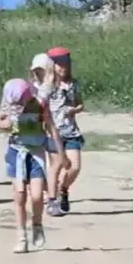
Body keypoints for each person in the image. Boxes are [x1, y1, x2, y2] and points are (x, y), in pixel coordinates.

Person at [0, 78, 66, 253]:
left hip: (35, 154)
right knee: (19, 197)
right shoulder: (8, 104)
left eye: (21, 102)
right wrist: (5, 125)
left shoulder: (40, 104)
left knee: (36, 196)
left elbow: (51, 127)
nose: (19, 106)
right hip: (16, 153)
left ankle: (37, 224)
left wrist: (61, 154)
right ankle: (21, 237)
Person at [44, 47, 85, 216]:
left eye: (65, 64)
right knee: (56, 165)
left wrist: (74, 110)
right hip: (53, 131)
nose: (63, 68)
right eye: (59, 65)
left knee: (74, 167)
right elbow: (40, 107)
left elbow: (81, 104)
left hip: (71, 131)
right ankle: (52, 200)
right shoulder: (47, 86)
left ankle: (64, 188)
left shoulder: (73, 84)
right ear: (52, 66)